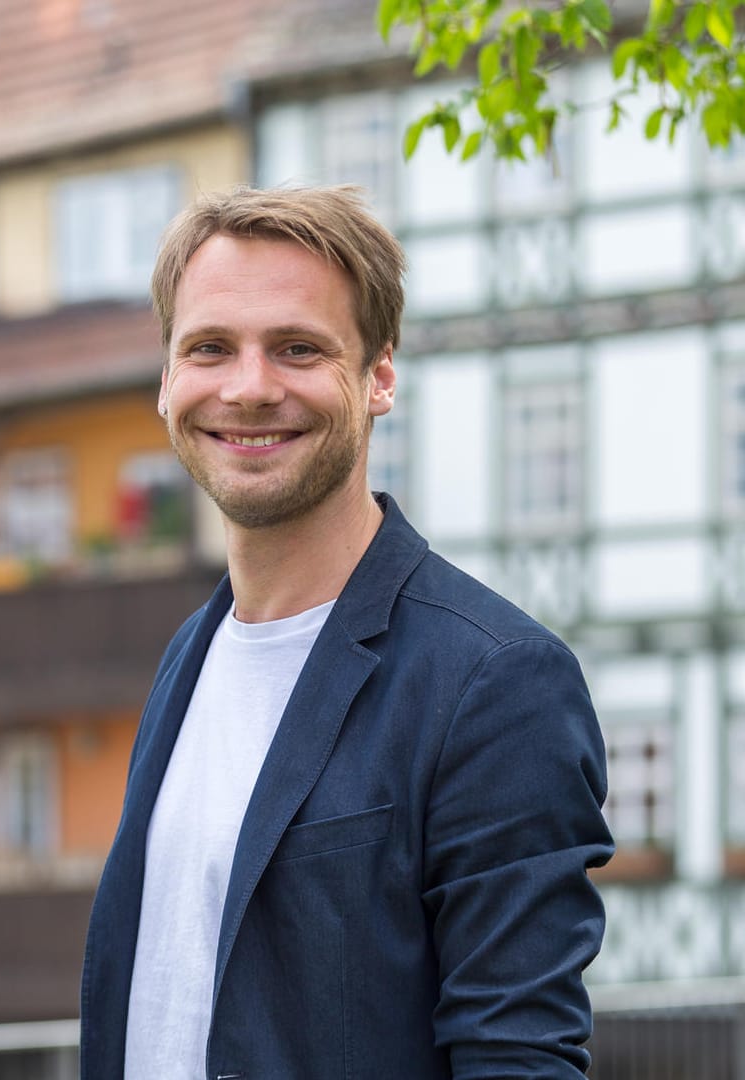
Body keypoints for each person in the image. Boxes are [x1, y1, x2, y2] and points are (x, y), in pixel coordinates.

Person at [79, 186, 613, 1079]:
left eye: (298, 348)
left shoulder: (496, 682)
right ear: (168, 381)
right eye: (210, 348)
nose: (249, 388)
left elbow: (518, 1058)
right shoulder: (189, 657)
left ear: (379, 378)